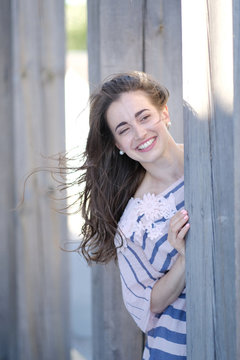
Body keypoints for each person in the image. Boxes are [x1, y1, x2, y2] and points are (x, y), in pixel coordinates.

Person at [74, 71, 189, 359]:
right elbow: (148, 304)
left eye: (144, 117)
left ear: (164, 113)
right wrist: (186, 259)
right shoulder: (133, 222)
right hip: (180, 348)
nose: (139, 133)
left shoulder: (216, 158)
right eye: (124, 129)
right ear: (118, 145)